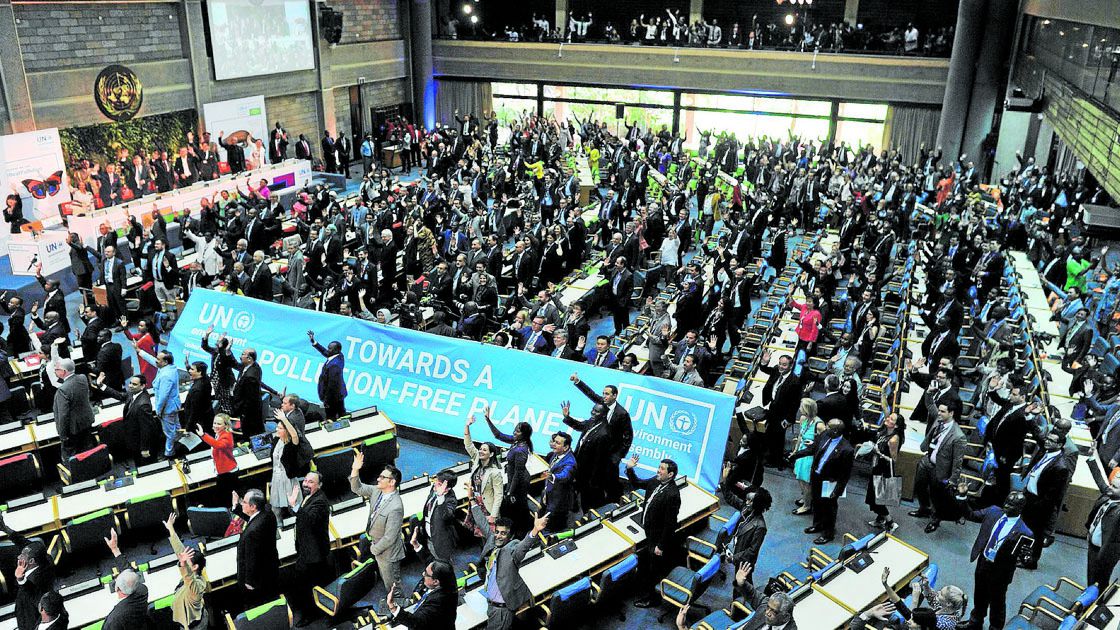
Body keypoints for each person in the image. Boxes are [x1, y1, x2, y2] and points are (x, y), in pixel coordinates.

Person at [959, 490, 1033, 630]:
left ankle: (995, 628)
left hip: (1000, 573)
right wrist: (962, 497)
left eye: (1011, 505)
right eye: (1006, 501)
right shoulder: (993, 511)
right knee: (979, 595)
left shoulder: (1025, 532)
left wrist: (1026, 556)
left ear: (1020, 508)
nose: (1006, 506)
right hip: (983, 562)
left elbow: (1025, 559)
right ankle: (975, 623)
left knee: (997, 603)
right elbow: (971, 515)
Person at [471, 507, 549, 630]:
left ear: (511, 536)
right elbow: (482, 523)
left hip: (501, 610)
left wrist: (535, 530)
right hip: (490, 603)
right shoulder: (493, 540)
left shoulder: (512, 550)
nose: (498, 536)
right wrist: (472, 501)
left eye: (503, 533)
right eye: (497, 532)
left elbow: (523, 547)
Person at [567, 372, 634, 507]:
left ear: (615, 396)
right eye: (603, 393)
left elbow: (628, 437)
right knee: (589, 477)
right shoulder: (601, 404)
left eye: (607, 394)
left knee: (610, 479)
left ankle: (615, 502)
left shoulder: (622, 414)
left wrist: (618, 456)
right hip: (596, 450)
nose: (604, 396)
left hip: (610, 453)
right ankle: (579, 499)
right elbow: (590, 394)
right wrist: (578, 381)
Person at [625, 455, 682, 609]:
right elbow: (638, 483)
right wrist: (630, 469)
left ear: (670, 475)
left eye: (662, 469)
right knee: (648, 565)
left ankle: (653, 599)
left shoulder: (672, 494)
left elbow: (670, 524)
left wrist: (661, 546)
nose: (658, 470)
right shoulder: (656, 481)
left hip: (657, 538)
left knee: (655, 569)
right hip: (649, 529)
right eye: (659, 467)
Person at [788, 419, 854, 544]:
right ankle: (817, 525)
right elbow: (813, 448)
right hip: (817, 476)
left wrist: (838, 490)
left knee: (829, 508)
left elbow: (845, 474)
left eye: (828, 426)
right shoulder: (824, 435)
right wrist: (796, 455)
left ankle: (828, 534)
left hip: (830, 482)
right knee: (817, 503)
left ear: (835, 431)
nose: (825, 427)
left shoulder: (847, 449)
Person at [350, 452, 405, 594]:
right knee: (386, 579)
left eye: (382, 477)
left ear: (392, 482)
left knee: (393, 585)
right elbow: (357, 488)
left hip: (388, 552)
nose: (378, 479)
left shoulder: (396, 507)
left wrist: (374, 550)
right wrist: (355, 469)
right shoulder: (377, 491)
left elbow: (390, 537)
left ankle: (399, 609)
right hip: (378, 544)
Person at [288, 471, 331, 627]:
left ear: (319, 485)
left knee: (309, 586)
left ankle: (311, 614)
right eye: (305, 480)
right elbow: (301, 515)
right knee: (304, 584)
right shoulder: (310, 497)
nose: (306, 483)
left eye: (311, 482)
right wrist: (295, 507)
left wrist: (295, 506)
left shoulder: (320, 502)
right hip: (307, 548)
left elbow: (309, 519)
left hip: (314, 554)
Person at [0, 513, 55, 630]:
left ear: (31, 561)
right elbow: (24, 543)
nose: (19, 557)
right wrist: (5, 528)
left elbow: (32, 594)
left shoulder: (40, 579)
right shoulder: (42, 556)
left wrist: (20, 579)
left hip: (31, 613)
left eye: (22, 556)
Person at [483, 410, 533, 535]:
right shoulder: (517, 442)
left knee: (517, 506)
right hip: (514, 479)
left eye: (517, 431)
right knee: (516, 506)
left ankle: (522, 531)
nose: (514, 432)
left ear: (524, 434)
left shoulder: (521, 450)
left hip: (519, 483)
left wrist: (510, 491)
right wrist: (488, 420)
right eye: (515, 430)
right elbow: (498, 435)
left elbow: (518, 473)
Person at [232, 489, 279, 609]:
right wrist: (236, 506)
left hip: (256, 580)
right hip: (270, 569)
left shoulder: (252, 532)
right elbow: (252, 518)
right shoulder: (267, 512)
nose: (242, 503)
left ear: (253, 506)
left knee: (257, 606)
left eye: (244, 502)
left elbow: (251, 558)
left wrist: (249, 582)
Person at [878, 566, 966, 630]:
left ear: (948, 603)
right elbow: (932, 599)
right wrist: (926, 586)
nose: (938, 592)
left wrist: (915, 599)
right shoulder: (951, 609)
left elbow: (909, 617)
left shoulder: (942, 624)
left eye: (941, 594)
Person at [160, 513, 207, 630]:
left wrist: (182, 564)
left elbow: (189, 577)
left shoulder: (197, 587)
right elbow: (180, 552)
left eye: (187, 562)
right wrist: (171, 529)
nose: (184, 562)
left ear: (195, 567)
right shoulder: (195, 572)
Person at [96, 373, 158, 462]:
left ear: (143, 386)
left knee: (144, 462)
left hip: (141, 441)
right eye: (130, 383)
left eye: (134, 384)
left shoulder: (143, 405)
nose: (130, 386)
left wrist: (144, 448)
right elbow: (120, 395)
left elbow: (146, 428)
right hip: (133, 437)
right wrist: (101, 386)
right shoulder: (133, 393)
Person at [385, 559, 458, 630]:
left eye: (426, 574)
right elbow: (429, 558)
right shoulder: (448, 579)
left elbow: (416, 623)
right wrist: (417, 547)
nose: (423, 574)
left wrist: (392, 606)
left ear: (435, 581)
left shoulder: (438, 602)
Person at [463, 415, 505, 538]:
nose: (480, 451)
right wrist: (467, 425)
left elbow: (499, 495)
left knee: (489, 534)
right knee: (479, 531)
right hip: (475, 503)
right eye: (480, 449)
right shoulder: (476, 460)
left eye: (484, 450)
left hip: (488, 507)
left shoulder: (495, 472)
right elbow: (468, 445)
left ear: (491, 454)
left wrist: (494, 515)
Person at [759, 350, 802, 467]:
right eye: (780, 364)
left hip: (782, 414)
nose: (781, 367)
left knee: (778, 437)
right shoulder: (776, 370)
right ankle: (768, 455)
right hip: (771, 407)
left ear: (791, 365)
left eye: (784, 365)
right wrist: (764, 362)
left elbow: (795, 404)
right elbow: (764, 369)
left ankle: (775, 461)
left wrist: (788, 419)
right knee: (769, 433)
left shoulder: (795, 382)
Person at [1086, 443, 1120, 588]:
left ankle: (1095, 608)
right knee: (1091, 579)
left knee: (1099, 582)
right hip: (1093, 545)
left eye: (1115, 487)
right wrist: (1092, 458)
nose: (1109, 488)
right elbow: (1100, 481)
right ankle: (1088, 602)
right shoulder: (1110, 495)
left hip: (1104, 554)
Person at [864, 411, 904, 532]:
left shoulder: (893, 439)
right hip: (877, 466)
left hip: (883, 469)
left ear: (896, 425)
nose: (887, 419)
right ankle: (880, 519)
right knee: (874, 496)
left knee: (878, 499)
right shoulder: (884, 432)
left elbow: (893, 459)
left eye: (891, 419)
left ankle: (890, 522)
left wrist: (879, 452)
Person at [726, 488, 771, 585]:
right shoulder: (746, 509)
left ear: (758, 504)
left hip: (744, 562)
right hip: (738, 552)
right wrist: (725, 482)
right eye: (747, 499)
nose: (747, 502)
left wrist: (734, 558)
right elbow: (731, 498)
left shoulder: (760, 527)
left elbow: (752, 551)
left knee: (743, 586)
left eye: (751, 501)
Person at [412, 471, 459, 563]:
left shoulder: (451, 500)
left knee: (443, 565)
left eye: (439, 484)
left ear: (447, 488)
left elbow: (446, 516)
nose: (435, 484)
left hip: (441, 541)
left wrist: (441, 496)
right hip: (428, 536)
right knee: (431, 561)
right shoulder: (434, 489)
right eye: (435, 481)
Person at [270, 413, 311, 518]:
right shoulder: (276, 440)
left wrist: (284, 418)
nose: (276, 429)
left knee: (293, 504)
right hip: (276, 477)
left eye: (280, 428)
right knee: (276, 506)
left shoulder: (291, 445)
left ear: (286, 430)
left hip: (288, 478)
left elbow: (294, 435)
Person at [52, 358, 95, 459]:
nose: (55, 371)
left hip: (72, 430)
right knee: (88, 451)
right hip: (86, 421)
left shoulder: (63, 390)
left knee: (72, 458)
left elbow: (63, 415)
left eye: (57, 369)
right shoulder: (82, 378)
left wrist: (62, 436)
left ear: (64, 372)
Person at [791, 398, 824, 516]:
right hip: (801, 452)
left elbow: (825, 442)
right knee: (799, 478)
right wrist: (795, 450)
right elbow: (800, 435)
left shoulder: (819, 425)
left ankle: (807, 505)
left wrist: (814, 444)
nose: (799, 409)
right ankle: (805, 498)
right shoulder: (803, 419)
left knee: (806, 481)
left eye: (802, 407)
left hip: (810, 456)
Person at [196, 413, 238, 499]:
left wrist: (203, 435)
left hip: (228, 472)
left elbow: (218, 445)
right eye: (214, 423)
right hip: (222, 470)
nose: (215, 425)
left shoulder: (227, 436)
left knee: (225, 497)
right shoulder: (219, 433)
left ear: (225, 425)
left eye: (219, 424)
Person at [542, 431, 576, 532]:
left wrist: (552, 476)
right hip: (549, 493)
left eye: (557, 443)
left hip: (558, 501)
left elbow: (564, 476)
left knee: (551, 526)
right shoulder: (556, 454)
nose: (553, 444)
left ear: (565, 447)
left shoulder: (570, 462)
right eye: (554, 441)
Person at [308, 330, 347, 419]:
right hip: (339, 394)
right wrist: (314, 342)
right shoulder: (339, 356)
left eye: (330, 348)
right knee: (342, 413)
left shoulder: (334, 366)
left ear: (336, 350)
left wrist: (327, 401)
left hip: (333, 398)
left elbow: (332, 385)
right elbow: (325, 352)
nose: (328, 350)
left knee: (331, 417)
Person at [232, 346, 264, 437]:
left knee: (249, 434)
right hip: (248, 410)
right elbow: (234, 363)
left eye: (243, 354)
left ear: (249, 358)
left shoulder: (251, 376)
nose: (240, 356)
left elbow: (250, 398)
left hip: (248, 413)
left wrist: (242, 412)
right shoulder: (252, 365)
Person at [180, 360, 213, 435]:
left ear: (199, 372)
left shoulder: (197, 390)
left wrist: (188, 428)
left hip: (198, 423)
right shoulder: (206, 379)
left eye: (192, 369)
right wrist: (187, 365)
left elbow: (194, 411)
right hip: (207, 417)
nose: (189, 371)